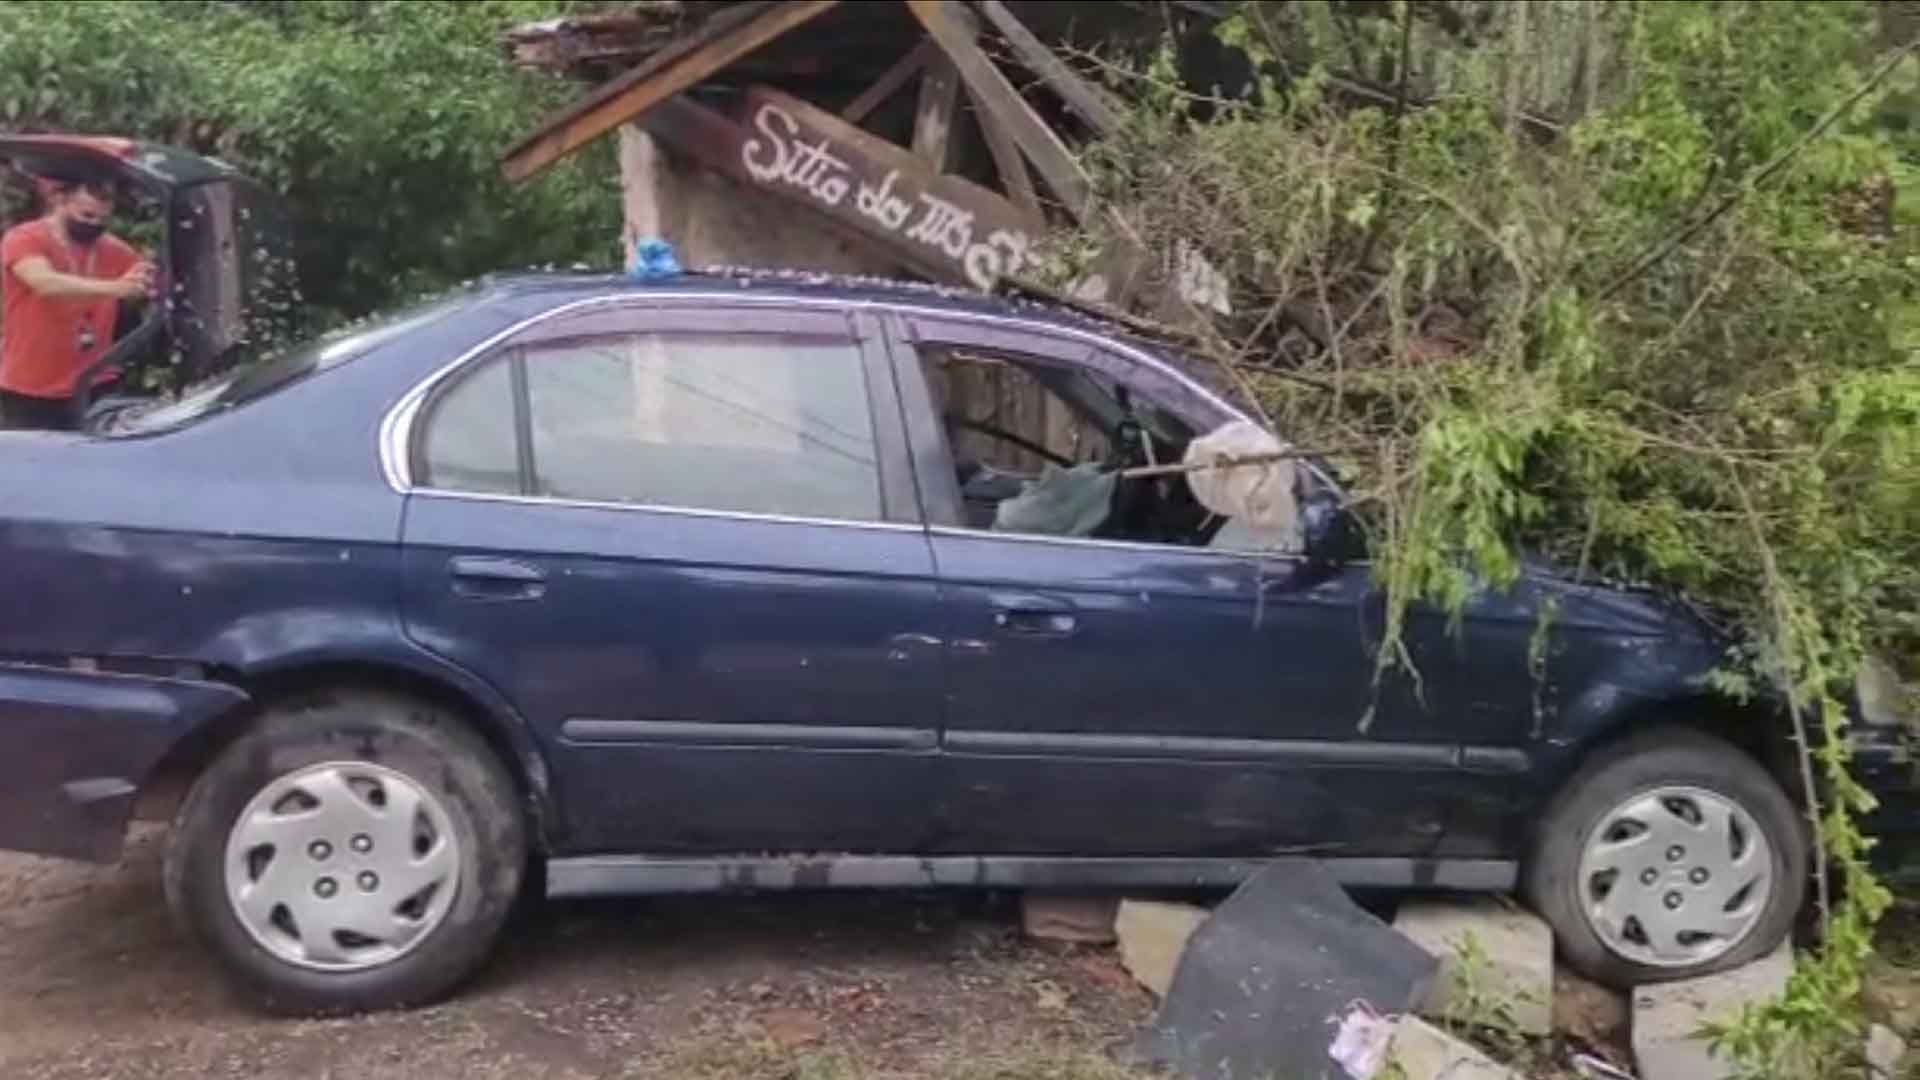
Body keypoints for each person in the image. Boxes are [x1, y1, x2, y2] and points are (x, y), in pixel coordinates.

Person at [0, 169, 152, 430]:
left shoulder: (113, 249)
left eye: (102, 219)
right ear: (59, 200)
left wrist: (149, 279)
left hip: (95, 381)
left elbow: (146, 277)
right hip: (30, 386)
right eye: (86, 216)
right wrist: (116, 288)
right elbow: (43, 283)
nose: (94, 225)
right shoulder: (24, 238)